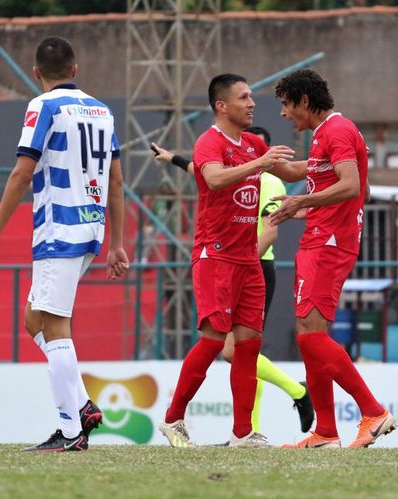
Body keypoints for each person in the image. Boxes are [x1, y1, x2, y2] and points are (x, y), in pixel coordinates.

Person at [0, 36, 129, 452]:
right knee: (34, 321)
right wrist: (117, 243)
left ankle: (69, 429)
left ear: (37, 73)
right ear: (76, 70)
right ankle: (81, 405)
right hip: (91, 229)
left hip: (58, 228)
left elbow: (22, 173)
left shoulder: (41, 106)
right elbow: (116, 181)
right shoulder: (102, 110)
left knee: (55, 325)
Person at [159, 73, 295, 448]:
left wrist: (333, 164)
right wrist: (259, 163)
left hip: (248, 258)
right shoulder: (210, 142)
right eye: (244, 97)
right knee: (213, 339)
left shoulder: (252, 143)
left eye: (252, 97)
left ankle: (242, 433)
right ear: (222, 105)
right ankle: (173, 419)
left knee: (249, 344)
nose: (252, 103)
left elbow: (291, 170)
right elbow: (215, 179)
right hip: (215, 255)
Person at [269, 69, 395, 448]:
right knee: (311, 334)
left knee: (309, 336)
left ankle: (373, 411)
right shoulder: (329, 134)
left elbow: (353, 185)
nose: (283, 114)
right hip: (324, 237)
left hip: (329, 245)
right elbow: (362, 190)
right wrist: (311, 208)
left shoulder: (336, 131)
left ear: (304, 101)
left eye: (287, 105)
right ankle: (325, 431)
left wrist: (303, 202)